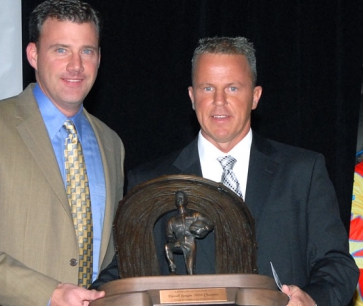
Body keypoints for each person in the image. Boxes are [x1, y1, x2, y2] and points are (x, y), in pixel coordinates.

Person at [92, 37, 359, 306]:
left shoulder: (303, 172)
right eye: (208, 88)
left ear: (255, 96)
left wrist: (312, 299)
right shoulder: (150, 181)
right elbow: (126, 269)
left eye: (232, 88)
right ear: (192, 97)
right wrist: (89, 298)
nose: (219, 101)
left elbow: (336, 264)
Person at [0, 1, 124, 305]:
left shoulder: (111, 143)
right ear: (33, 55)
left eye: (86, 51)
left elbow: (113, 252)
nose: (76, 65)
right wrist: (47, 293)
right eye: (61, 50)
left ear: (99, 57)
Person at [164, 190, 213, 275]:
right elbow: (169, 236)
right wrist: (173, 241)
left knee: (190, 272)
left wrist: (204, 228)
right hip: (179, 242)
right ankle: (173, 270)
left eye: (181, 198)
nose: (179, 200)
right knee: (167, 247)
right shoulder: (172, 220)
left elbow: (210, 223)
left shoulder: (194, 215)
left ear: (186, 200)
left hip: (190, 243)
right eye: (177, 198)